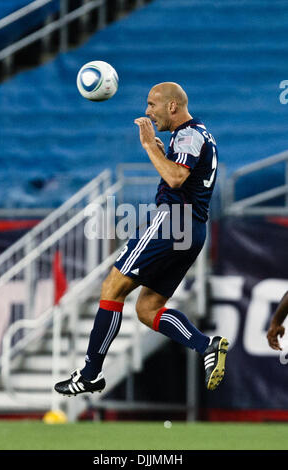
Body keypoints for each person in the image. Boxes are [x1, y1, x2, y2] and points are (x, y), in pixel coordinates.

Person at [55, 82, 229, 397]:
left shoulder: (189, 134)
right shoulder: (195, 136)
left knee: (112, 286)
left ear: (172, 106)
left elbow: (176, 178)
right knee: (148, 309)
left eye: (152, 104)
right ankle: (207, 346)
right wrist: (163, 153)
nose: (147, 112)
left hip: (172, 222)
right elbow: (180, 173)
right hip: (193, 231)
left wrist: (150, 146)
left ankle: (91, 373)